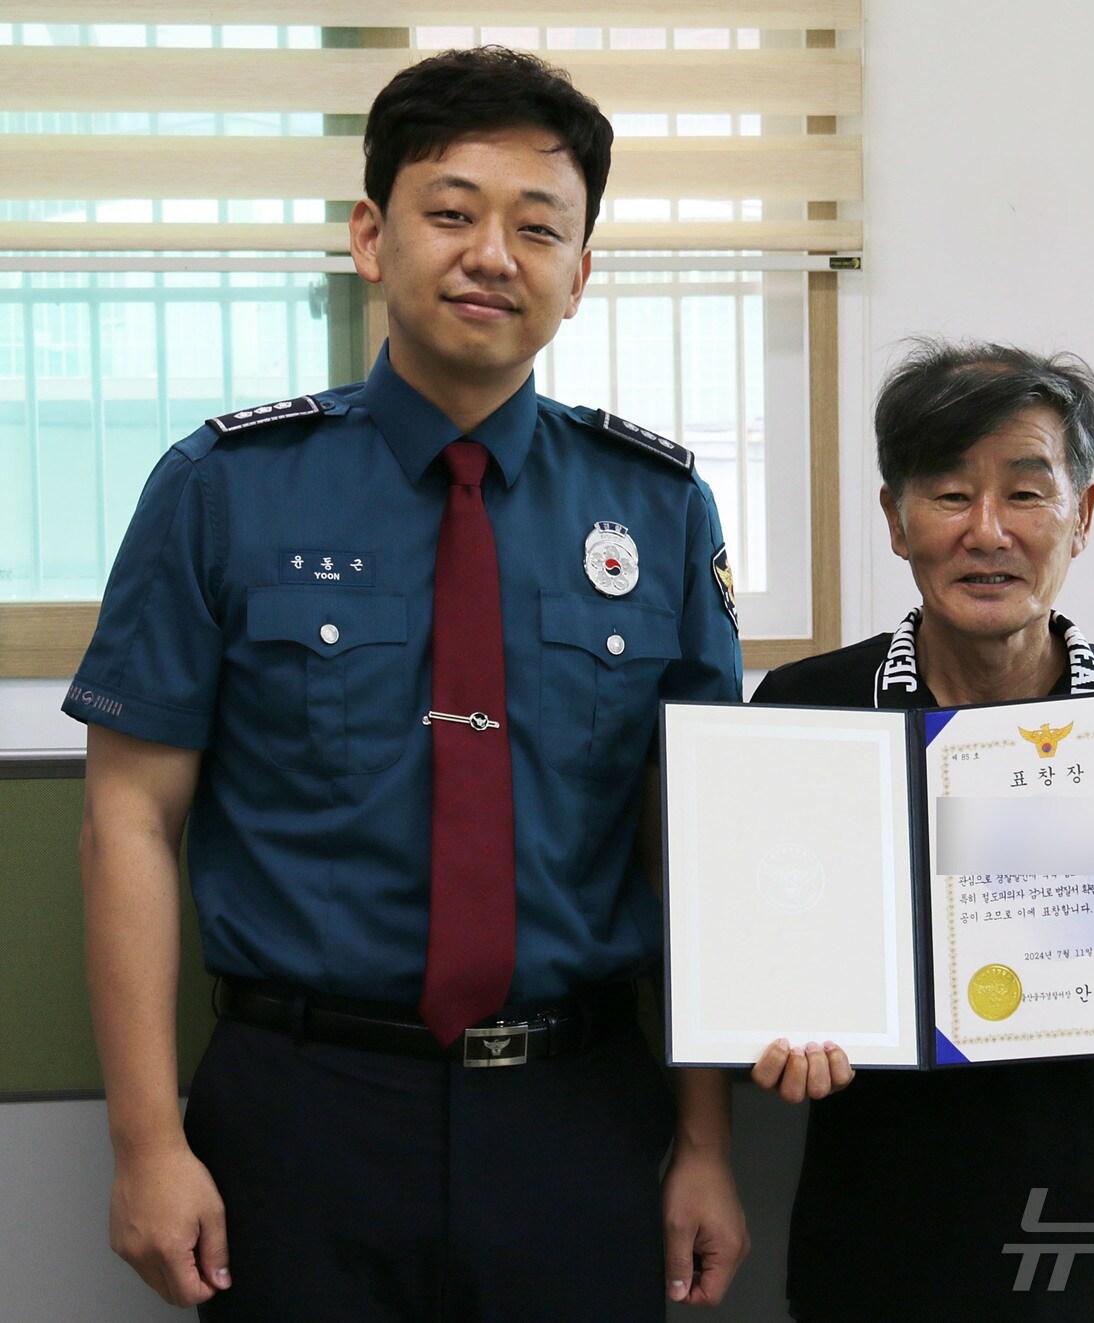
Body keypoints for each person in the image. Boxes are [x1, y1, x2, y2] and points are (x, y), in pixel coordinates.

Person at [64, 47, 748, 1322]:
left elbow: (693, 839)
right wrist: (146, 1146)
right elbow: (128, 825)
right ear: (373, 238)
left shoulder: (656, 510)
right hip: (299, 1110)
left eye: (537, 227)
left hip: (577, 1113)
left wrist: (704, 1142)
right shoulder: (224, 489)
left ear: (579, 274)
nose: (492, 252)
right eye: (451, 211)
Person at [748, 339, 1094, 1321]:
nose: (986, 531)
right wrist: (761, 1019)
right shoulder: (805, 710)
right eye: (949, 495)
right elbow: (749, 933)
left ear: (1080, 516)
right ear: (893, 519)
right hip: (876, 1226)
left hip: (1085, 1228)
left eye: (1025, 494)